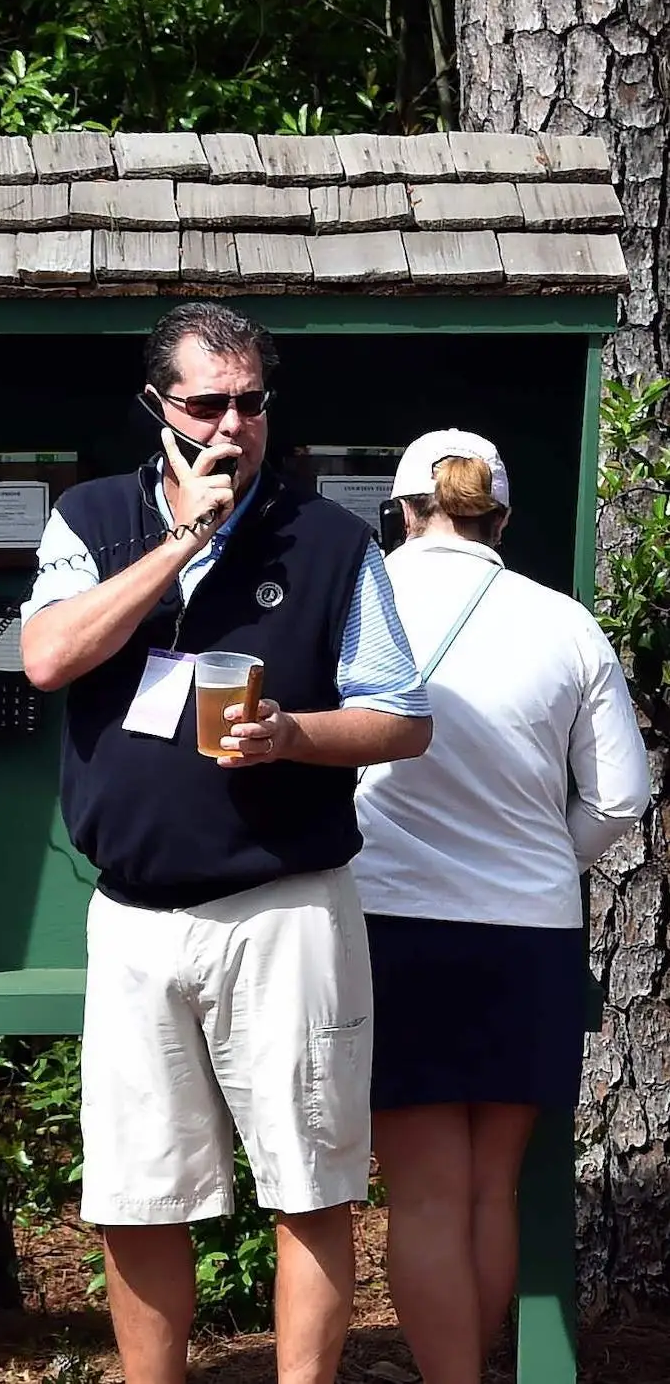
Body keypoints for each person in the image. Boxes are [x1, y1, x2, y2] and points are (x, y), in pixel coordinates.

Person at [18, 301, 433, 1384]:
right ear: (158, 407)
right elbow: (48, 657)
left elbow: (402, 716)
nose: (231, 426)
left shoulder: (334, 539)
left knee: (312, 1181)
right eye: (207, 403)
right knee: (136, 1193)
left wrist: (295, 735)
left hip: (286, 907)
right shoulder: (93, 519)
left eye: (250, 403)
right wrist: (182, 541)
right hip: (136, 918)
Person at [351, 430, 649, 1384]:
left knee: (426, 1197)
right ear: (503, 518)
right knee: (491, 1187)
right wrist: (536, 866)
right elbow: (619, 798)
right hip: (531, 936)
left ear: (398, 512)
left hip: (391, 923)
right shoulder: (564, 622)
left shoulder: (362, 605)